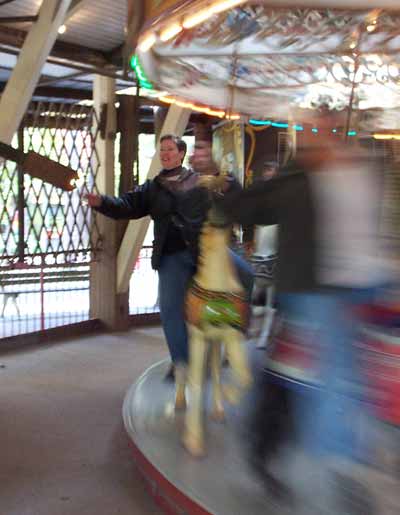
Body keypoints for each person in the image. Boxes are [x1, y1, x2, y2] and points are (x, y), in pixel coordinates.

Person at [217, 108, 386, 512]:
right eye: (311, 131)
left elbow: (364, 233)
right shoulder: (299, 178)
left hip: (351, 289)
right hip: (312, 292)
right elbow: (250, 207)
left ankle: (270, 440)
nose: (319, 136)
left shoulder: (360, 168)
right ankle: (339, 463)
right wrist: (227, 192)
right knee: (330, 375)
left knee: (295, 374)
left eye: (324, 129)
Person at [85, 134, 253, 381]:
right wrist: (101, 202)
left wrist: (227, 181)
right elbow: (126, 206)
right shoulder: (152, 188)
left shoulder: (200, 180)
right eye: (161, 149)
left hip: (205, 249)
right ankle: (182, 363)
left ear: (181, 153)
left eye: (170, 149)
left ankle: (231, 330)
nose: (165, 153)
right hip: (172, 254)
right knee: (170, 309)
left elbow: (232, 193)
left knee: (246, 275)